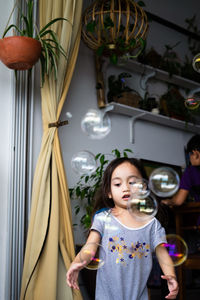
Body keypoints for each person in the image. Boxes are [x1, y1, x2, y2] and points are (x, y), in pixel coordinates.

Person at [66, 157, 179, 299]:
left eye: (132, 182)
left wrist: (171, 276)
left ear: (143, 187)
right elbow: (90, 246)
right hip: (107, 296)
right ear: (109, 192)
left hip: (138, 296)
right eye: (118, 184)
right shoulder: (103, 218)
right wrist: (77, 263)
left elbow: (163, 254)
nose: (126, 188)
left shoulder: (151, 223)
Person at [162, 134, 200, 206]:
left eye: (190, 154)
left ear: (195, 153)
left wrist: (169, 201)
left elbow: (179, 201)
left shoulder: (190, 172)